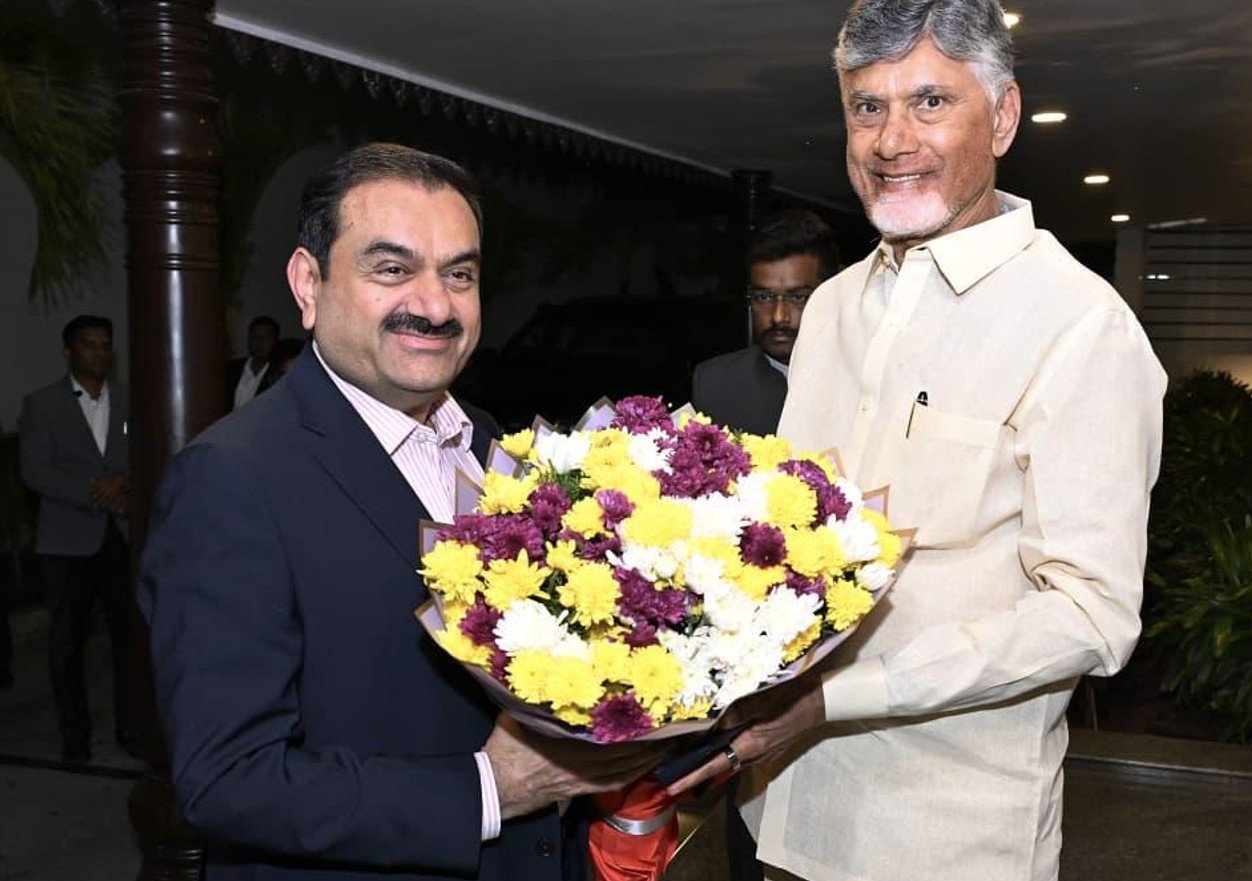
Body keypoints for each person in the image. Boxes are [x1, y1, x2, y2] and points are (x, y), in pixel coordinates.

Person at [669, 3, 1167, 880]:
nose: (892, 138)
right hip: (775, 807)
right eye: (868, 107)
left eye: (931, 102)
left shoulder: (1083, 326)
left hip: (944, 839)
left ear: (1004, 116)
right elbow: (787, 542)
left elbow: (1090, 613)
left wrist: (835, 699)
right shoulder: (830, 308)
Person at [139, 144, 659, 881]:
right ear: (307, 283)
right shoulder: (230, 480)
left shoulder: (495, 444)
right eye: (391, 269)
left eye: (460, 274)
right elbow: (227, 779)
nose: (436, 305)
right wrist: (490, 789)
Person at [19, 315, 134, 763]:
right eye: (89, 345)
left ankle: (130, 726)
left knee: (129, 639)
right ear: (68, 353)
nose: (100, 353)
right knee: (67, 643)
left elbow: (147, 450)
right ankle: (75, 736)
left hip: (122, 536)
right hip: (67, 540)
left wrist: (124, 480)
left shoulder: (128, 399)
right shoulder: (42, 404)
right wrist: (96, 491)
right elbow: (36, 470)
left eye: (105, 345)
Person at [690, 211, 840, 435]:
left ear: (831, 295)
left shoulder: (866, 378)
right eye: (764, 297)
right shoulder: (715, 384)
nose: (779, 316)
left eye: (798, 297)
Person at [226, 315, 280, 409]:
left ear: (275, 341)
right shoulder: (231, 369)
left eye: (266, 338)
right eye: (255, 337)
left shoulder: (277, 376)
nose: (259, 342)